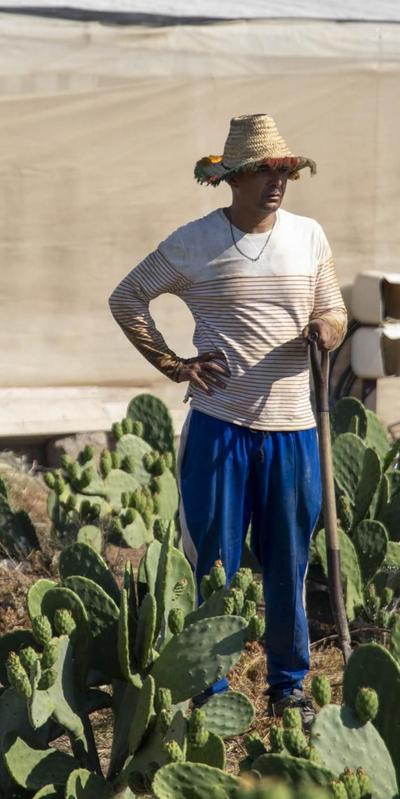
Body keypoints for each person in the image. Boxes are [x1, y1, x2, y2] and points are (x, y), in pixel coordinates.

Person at [108, 113, 346, 725]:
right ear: (233, 178)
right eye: (264, 171)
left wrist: (327, 330)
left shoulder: (309, 236)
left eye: (284, 172)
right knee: (213, 565)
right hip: (220, 427)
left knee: (289, 563)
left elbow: (334, 310)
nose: (276, 182)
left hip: (294, 430)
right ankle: (208, 691)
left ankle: (288, 686)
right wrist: (174, 364)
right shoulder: (195, 242)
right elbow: (127, 297)